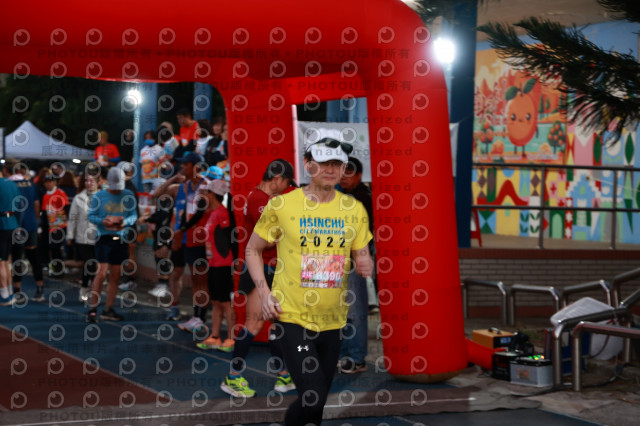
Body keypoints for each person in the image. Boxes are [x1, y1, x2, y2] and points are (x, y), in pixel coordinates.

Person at [247, 134, 373, 425]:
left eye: (337, 164)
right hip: (293, 318)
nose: (330, 169)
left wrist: (364, 260)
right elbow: (253, 249)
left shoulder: (353, 209)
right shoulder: (282, 205)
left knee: (316, 405)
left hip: (333, 321)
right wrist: (264, 294)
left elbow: (361, 250)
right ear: (307, 164)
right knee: (313, 394)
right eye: (323, 162)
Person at [220, 159, 298, 398]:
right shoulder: (259, 199)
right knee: (254, 323)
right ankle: (233, 377)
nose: (286, 188)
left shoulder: (264, 199)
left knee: (277, 324)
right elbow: (271, 239)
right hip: (260, 269)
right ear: (277, 178)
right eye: (286, 183)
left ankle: (284, 375)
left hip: (270, 268)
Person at [336, 157, 375, 374]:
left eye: (348, 172)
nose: (343, 176)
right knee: (342, 311)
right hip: (338, 262)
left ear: (359, 175)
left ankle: (356, 357)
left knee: (356, 311)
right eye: (341, 171)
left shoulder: (362, 198)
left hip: (354, 262)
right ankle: (345, 354)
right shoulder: (340, 196)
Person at [86, 167, 138, 322]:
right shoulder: (99, 196)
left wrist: (124, 222)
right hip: (104, 238)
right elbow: (91, 215)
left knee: (115, 275)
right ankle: (92, 309)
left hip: (121, 239)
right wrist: (103, 221)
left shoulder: (128, 195)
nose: (116, 191)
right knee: (101, 273)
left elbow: (134, 215)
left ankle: (108, 309)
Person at [172, 152, 211, 333]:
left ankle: (201, 318)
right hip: (189, 238)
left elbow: (200, 212)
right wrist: (179, 233)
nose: (182, 168)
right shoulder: (186, 186)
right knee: (195, 279)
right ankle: (197, 316)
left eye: (185, 164)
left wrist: (181, 230)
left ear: (196, 167)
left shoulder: (206, 186)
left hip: (203, 239)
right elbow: (183, 213)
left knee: (202, 279)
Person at [197, 179, 236, 352]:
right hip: (212, 263)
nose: (205, 194)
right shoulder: (213, 213)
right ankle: (214, 336)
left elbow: (230, 238)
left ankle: (231, 338)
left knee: (225, 302)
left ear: (212, 194)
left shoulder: (223, 213)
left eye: (207, 192)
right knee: (215, 301)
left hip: (223, 264)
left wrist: (234, 261)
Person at [5, 159, 43, 303]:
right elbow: (36, 204)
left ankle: (17, 291)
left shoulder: (8, 184)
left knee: (16, 258)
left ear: (6, 170)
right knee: (33, 257)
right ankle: (40, 288)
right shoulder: (30, 183)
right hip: (31, 224)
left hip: (14, 225)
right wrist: (35, 221)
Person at [66, 171, 99, 302]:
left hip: (99, 236)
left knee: (94, 265)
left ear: (98, 182)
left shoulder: (103, 197)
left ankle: (90, 288)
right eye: (86, 181)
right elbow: (72, 218)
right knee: (89, 263)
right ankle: (86, 289)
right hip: (82, 237)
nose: (89, 183)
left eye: (92, 181)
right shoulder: (78, 198)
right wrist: (70, 235)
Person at [0, 164, 21, 306]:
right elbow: (19, 205)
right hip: (12, 223)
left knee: (1, 262)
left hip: (1, 225)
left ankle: (4, 295)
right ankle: (9, 292)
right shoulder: (13, 185)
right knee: (7, 260)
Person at [42, 174, 70, 279]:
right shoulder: (45, 196)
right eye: (46, 182)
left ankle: (59, 270)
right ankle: (56, 269)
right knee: (53, 249)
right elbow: (45, 212)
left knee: (56, 247)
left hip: (61, 225)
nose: (48, 184)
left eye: (50, 182)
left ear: (54, 182)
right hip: (51, 227)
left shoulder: (60, 193)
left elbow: (67, 207)